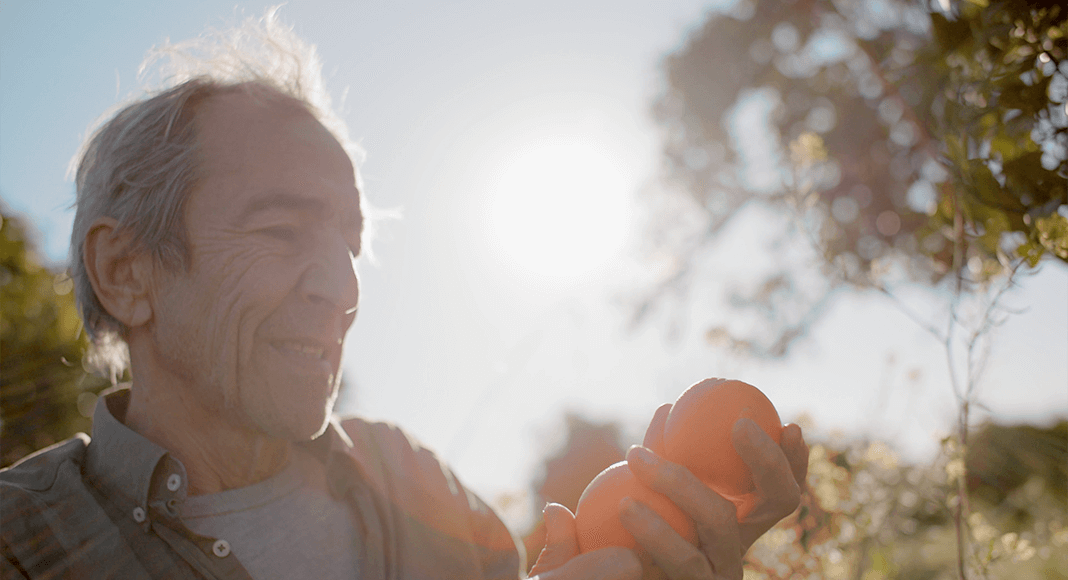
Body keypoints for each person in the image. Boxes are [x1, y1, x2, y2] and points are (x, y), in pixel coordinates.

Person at [0, 10, 808, 580]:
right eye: (282, 231)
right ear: (126, 272)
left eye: (350, 243)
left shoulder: (415, 480)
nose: (343, 288)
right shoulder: (23, 543)